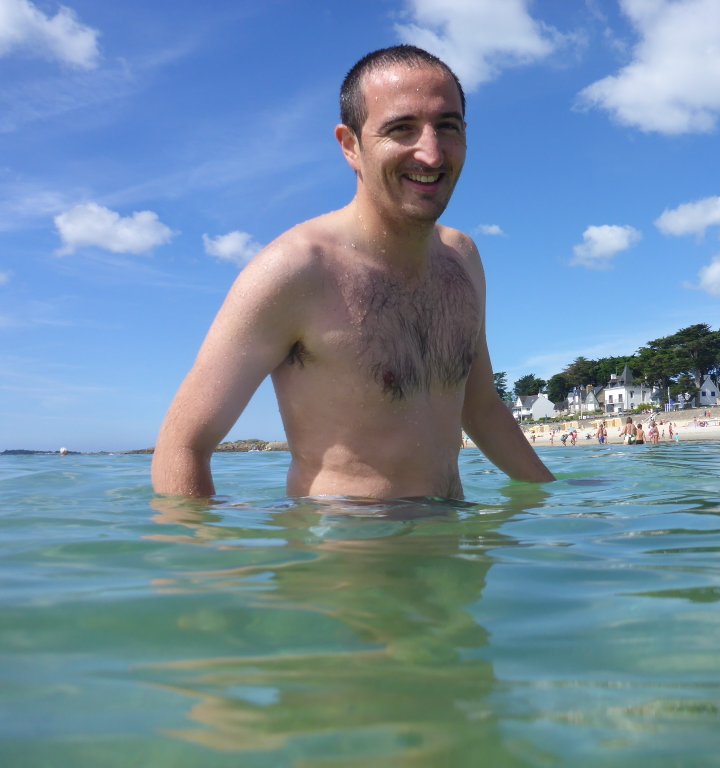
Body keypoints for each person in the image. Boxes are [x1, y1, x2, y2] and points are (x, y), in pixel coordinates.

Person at [152, 45, 554, 500]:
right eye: (401, 129)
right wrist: (202, 544)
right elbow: (183, 445)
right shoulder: (295, 270)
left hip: (452, 536)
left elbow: (481, 409)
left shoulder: (462, 258)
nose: (431, 153)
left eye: (447, 126)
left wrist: (560, 506)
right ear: (350, 146)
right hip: (342, 541)